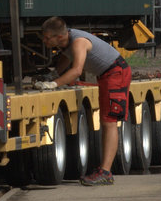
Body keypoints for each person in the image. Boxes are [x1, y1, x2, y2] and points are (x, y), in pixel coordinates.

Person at [35, 16, 132, 186]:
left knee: (109, 123)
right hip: (107, 74)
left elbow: (76, 70)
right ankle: (104, 170)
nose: (44, 40)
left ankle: (106, 173)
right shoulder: (66, 42)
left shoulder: (78, 41)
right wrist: (53, 74)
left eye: (47, 37)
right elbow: (67, 57)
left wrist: (53, 84)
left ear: (59, 37)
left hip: (116, 73)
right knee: (105, 121)